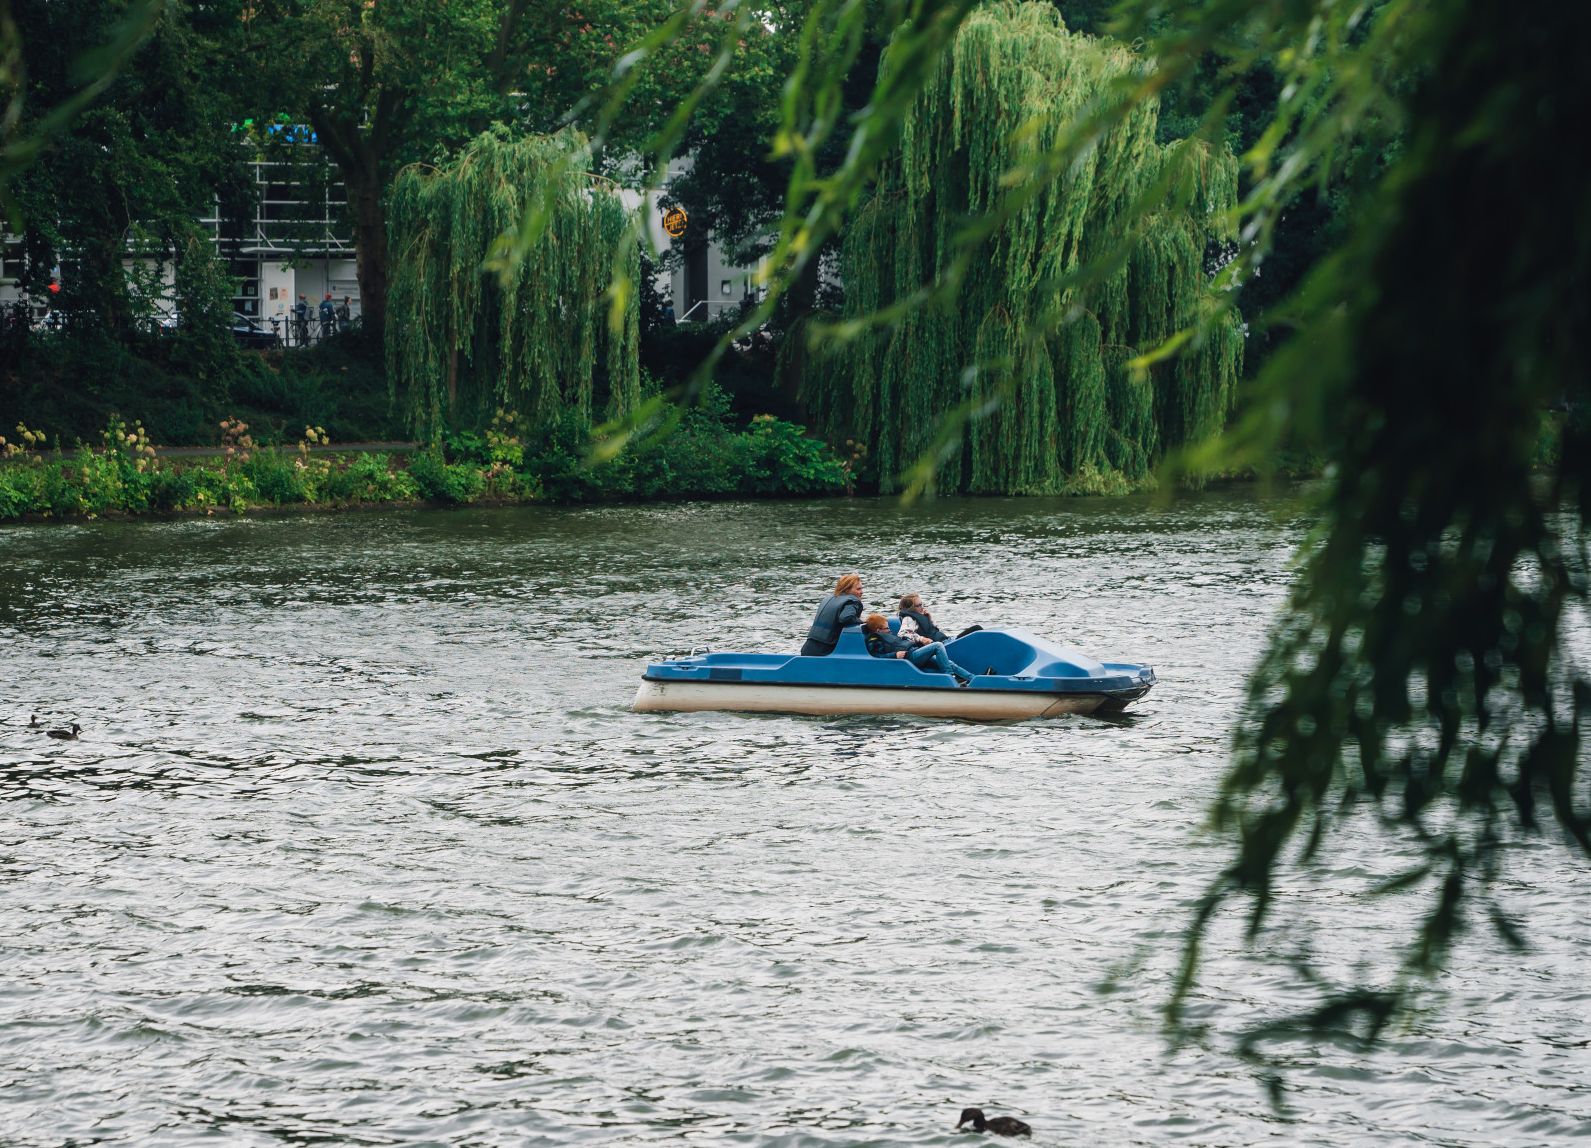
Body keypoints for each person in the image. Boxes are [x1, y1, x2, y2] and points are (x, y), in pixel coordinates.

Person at [862, 613, 974, 686]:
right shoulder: (874, 639)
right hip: (910, 658)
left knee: (948, 662)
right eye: (887, 628)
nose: (890, 630)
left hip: (912, 651)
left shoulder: (884, 635)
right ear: (878, 630)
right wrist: (895, 655)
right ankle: (950, 679)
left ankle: (973, 679)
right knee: (937, 645)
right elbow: (876, 656)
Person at [800, 573, 866, 656]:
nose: (861, 592)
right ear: (847, 590)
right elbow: (846, 618)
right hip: (825, 650)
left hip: (808, 648)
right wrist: (862, 621)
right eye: (858, 589)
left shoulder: (828, 598)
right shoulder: (852, 601)